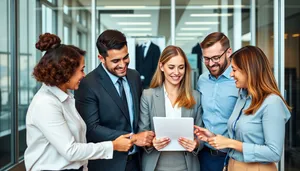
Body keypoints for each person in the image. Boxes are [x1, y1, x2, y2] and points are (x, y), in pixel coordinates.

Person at [24, 33, 135, 171]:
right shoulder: (46, 104)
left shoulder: (66, 97)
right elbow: (70, 150)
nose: (84, 75)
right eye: (81, 70)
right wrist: (113, 145)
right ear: (65, 72)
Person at [194, 45, 291, 171]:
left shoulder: (272, 103)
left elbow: (274, 153)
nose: (231, 74)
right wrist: (212, 137)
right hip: (233, 165)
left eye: (234, 70)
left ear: (249, 70)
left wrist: (230, 143)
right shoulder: (242, 98)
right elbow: (239, 137)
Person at [74, 29, 155, 171]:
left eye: (126, 57)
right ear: (101, 58)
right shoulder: (88, 84)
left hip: (137, 162)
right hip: (108, 164)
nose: (123, 65)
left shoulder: (134, 76)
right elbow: (91, 128)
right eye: (116, 61)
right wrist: (133, 138)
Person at [138, 45, 203, 171]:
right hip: (156, 165)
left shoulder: (195, 97)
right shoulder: (148, 96)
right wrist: (152, 142)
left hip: (187, 165)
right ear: (162, 67)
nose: (177, 73)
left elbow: (201, 135)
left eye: (181, 67)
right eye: (171, 67)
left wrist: (196, 143)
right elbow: (143, 132)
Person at [197, 32, 239, 171]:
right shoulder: (202, 80)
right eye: (206, 58)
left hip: (232, 156)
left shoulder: (239, 80)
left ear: (228, 52)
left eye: (215, 58)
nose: (210, 63)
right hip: (205, 156)